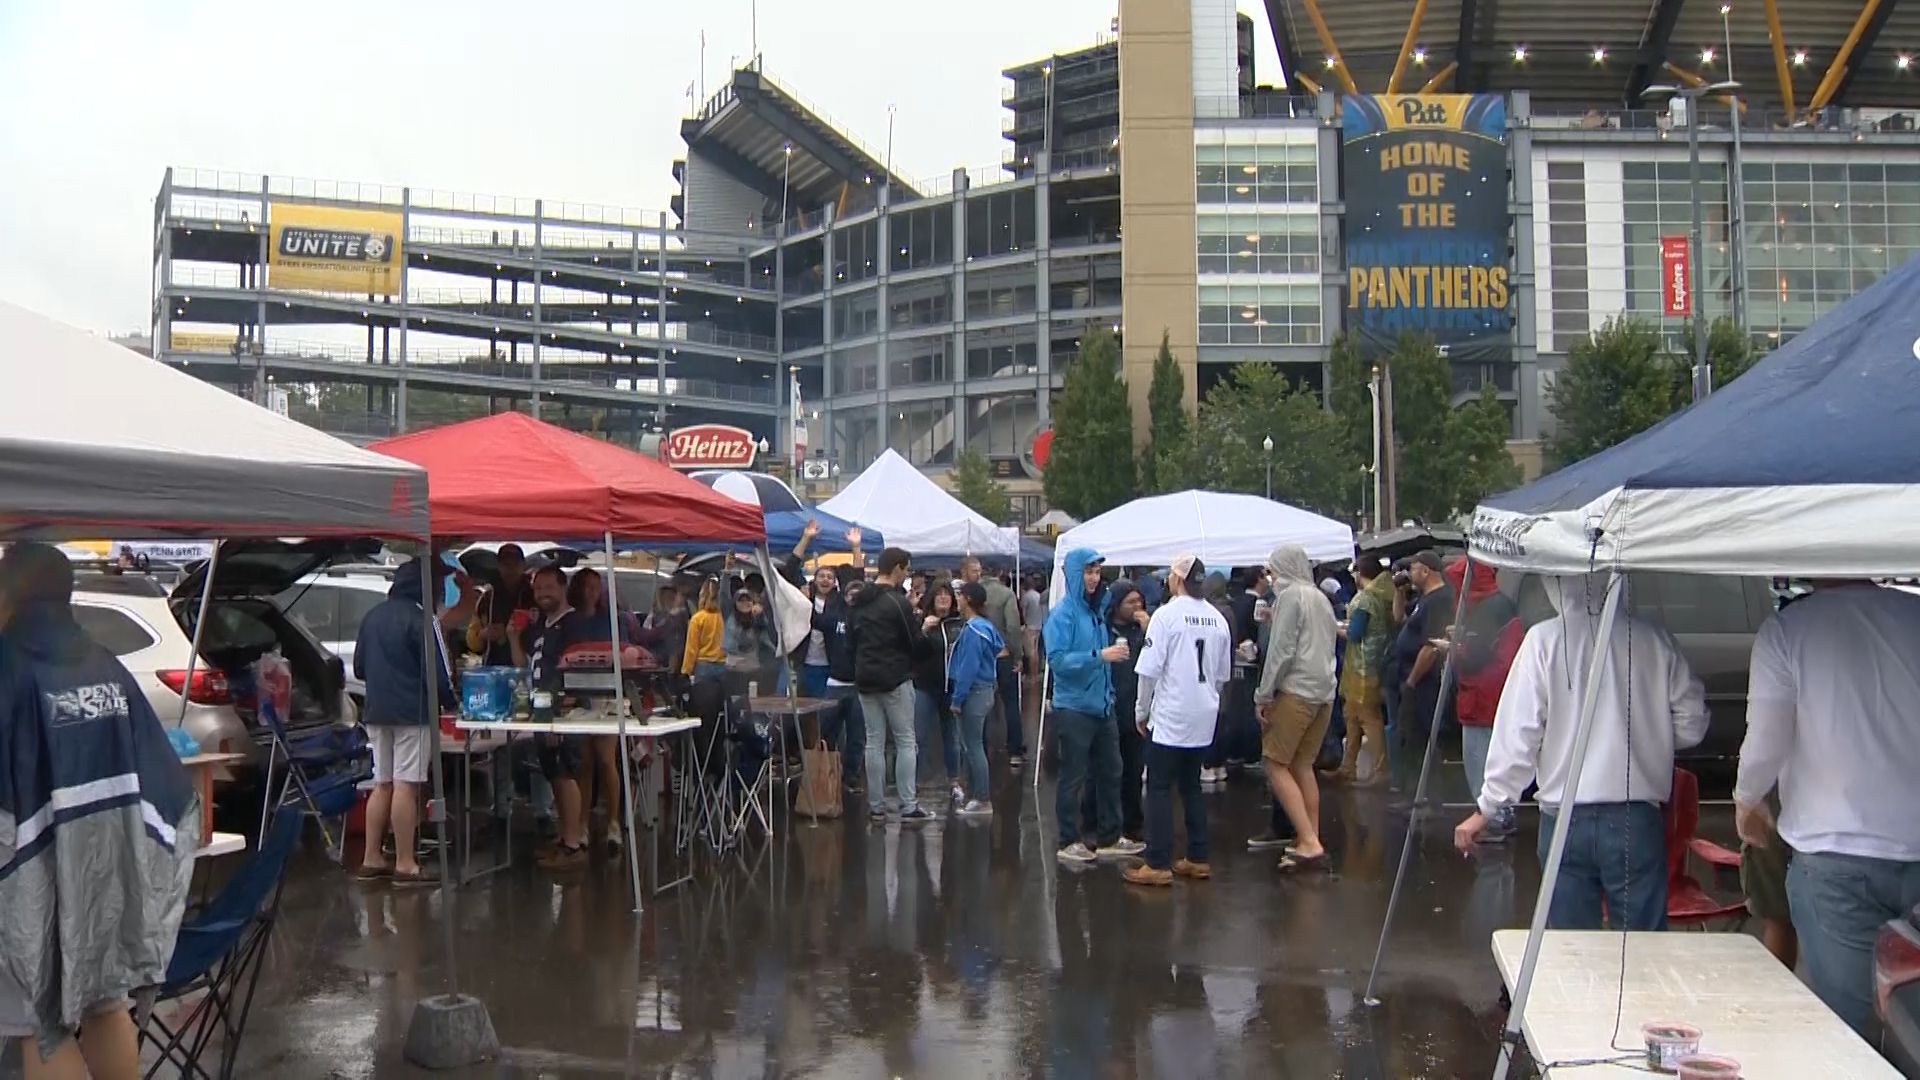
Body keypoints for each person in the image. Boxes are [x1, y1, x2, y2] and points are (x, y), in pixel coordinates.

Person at [0, 544, 199, 1080]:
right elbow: (163, 781)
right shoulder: (103, 663)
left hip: (26, 880)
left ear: (10, 594)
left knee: (38, 1025)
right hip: (108, 880)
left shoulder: (7, 666)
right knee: (104, 1001)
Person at [1455, 573, 1708, 931]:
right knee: (1641, 950)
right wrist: (1649, 739)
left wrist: (1489, 805)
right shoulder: (1652, 639)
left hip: (1563, 819)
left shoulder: (1543, 641)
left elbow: (1519, 733)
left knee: (1573, 954)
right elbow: (1692, 724)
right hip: (1634, 816)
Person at [1732, 580, 1920, 1041]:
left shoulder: (1787, 631)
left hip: (1832, 854)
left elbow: (1766, 739)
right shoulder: (1913, 616)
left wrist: (1746, 799)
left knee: (1851, 1031)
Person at [353, 557, 472, 885]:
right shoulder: (423, 619)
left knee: (383, 783)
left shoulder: (372, 616)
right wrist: (452, 704)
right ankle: (405, 863)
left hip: (376, 711)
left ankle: (371, 857)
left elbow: (360, 667)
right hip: (412, 713)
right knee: (407, 784)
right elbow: (439, 674)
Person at [1123, 555, 1232, 887]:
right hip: (1203, 713)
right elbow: (1221, 675)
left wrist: (1141, 711)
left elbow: (1148, 671)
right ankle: (1198, 855)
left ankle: (1157, 860)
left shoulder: (1166, 616)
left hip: (1172, 713)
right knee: (1191, 786)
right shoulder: (1217, 618)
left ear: (1178, 579)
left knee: (1158, 787)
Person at [1045, 547, 1135, 864]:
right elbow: (1057, 661)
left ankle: (1110, 835)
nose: (1094, 578)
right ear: (1073, 574)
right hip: (1073, 707)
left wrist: (1108, 689)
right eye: (1088, 571)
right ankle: (1068, 839)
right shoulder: (1062, 615)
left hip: (1101, 706)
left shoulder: (1097, 612)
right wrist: (1100, 656)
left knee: (1112, 770)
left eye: (1097, 572)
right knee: (1073, 775)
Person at [1251, 546, 1338, 872]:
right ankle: (1309, 837)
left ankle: (1310, 842)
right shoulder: (1320, 598)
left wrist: (1263, 694)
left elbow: (1281, 651)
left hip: (1295, 691)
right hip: (1324, 693)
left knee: (1275, 764)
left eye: (1272, 570)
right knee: (1303, 765)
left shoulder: (1290, 597)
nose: (1271, 577)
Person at [512, 565, 597, 869]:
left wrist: (559, 709)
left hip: (563, 713)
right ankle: (564, 837)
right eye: (537, 589)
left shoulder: (574, 624)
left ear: (562, 588)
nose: (542, 594)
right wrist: (513, 636)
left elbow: (576, 670)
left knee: (565, 772)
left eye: (548, 587)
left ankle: (574, 845)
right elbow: (524, 665)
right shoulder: (541, 627)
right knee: (553, 773)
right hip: (540, 709)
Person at [850, 546, 935, 823]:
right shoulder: (898, 603)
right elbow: (914, 644)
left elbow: (851, 640)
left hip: (865, 677)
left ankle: (876, 805)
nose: (907, 574)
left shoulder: (859, 601)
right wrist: (925, 631)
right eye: (906, 569)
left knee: (873, 742)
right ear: (897, 568)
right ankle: (908, 804)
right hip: (895, 678)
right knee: (905, 741)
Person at [1446, 557, 1524, 845]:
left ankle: (1494, 818)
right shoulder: (1501, 604)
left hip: (1481, 697)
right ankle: (1499, 815)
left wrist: (1455, 648)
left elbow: (1476, 654)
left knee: (1481, 762)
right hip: (1495, 694)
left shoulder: (1486, 609)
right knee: (1495, 758)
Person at [1389, 551, 1455, 805]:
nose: (1411, 573)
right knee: (1410, 737)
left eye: (1414, 568)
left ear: (1426, 571)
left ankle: (1427, 796)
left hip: (1423, 682)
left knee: (1422, 737)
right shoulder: (1422, 600)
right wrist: (1399, 591)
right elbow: (1399, 619)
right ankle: (1414, 792)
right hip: (1408, 674)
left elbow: (1430, 645)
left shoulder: (1439, 600)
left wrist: (1412, 681)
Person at [1088, 579, 1149, 847]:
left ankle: (1132, 825)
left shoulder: (1144, 631)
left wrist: (1149, 630)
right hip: (1110, 706)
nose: (1137, 607)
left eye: (1139, 601)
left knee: (1133, 771)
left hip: (1137, 709)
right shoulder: (1105, 629)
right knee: (1104, 770)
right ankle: (1096, 822)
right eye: (1130, 602)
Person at [1328, 555, 1393, 788]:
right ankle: (1348, 767)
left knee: (1367, 718)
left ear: (1360, 574)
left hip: (1362, 667)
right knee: (1352, 716)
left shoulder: (1365, 599)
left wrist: (1335, 628)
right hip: (1371, 664)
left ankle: (1380, 769)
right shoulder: (1383, 595)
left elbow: (1355, 634)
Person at [960, 556, 1027, 769]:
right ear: (999, 574)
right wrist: (1017, 655)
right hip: (1003, 655)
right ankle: (1015, 751)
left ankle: (982, 750)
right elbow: (1013, 627)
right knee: (1010, 704)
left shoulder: (971, 595)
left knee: (982, 705)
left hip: (980, 656)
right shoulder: (1007, 594)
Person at [947, 582, 1005, 816]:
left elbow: (968, 668)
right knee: (975, 744)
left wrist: (958, 699)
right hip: (985, 689)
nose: (956, 600)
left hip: (974, 692)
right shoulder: (985, 627)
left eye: (959, 596)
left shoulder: (973, 631)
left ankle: (982, 797)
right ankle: (977, 795)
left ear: (968, 599)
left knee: (973, 746)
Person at [812, 568, 868, 793]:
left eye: (858, 594)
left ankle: (851, 779)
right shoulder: (833, 615)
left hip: (860, 687)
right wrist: (805, 594)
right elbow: (812, 618)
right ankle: (824, 777)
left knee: (857, 738)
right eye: (850, 593)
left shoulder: (870, 620)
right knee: (826, 735)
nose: (853, 597)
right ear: (843, 595)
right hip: (834, 684)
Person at [912, 582, 965, 803]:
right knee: (919, 736)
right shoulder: (921, 622)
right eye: (939, 595)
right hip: (925, 686)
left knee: (952, 737)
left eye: (947, 595)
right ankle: (914, 783)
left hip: (951, 688)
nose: (943, 598)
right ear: (931, 599)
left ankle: (954, 780)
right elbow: (911, 651)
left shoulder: (959, 624)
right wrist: (923, 629)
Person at [466, 543, 534, 665]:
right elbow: (471, 641)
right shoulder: (487, 597)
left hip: (530, 664)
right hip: (495, 666)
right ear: (499, 566)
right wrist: (483, 634)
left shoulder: (535, 593)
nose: (510, 569)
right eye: (506, 564)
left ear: (523, 565)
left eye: (515, 564)